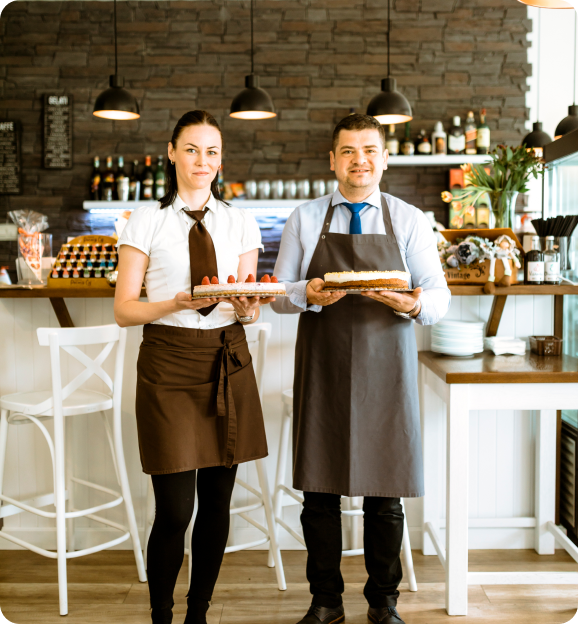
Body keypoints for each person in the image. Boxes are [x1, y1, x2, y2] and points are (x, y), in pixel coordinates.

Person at [271, 113, 451, 624]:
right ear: (332, 160)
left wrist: (411, 306)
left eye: (369, 150)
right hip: (323, 365)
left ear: (384, 158)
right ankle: (325, 602)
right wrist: (305, 294)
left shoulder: (410, 219)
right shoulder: (304, 220)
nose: (359, 161)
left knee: (384, 493)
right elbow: (280, 295)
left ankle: (382, 603)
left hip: (387, 369)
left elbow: (438, 296)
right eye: (348, 151)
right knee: (319, 491)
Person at [114, 110, 273, 624]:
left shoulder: (240, 221)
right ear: (171, 152)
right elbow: (124, 310)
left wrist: (249, 307)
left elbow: (243, 298)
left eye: (211, 152)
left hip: (227, 361)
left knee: (217, 506)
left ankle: (198, 613)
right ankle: (162, 614)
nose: (202, 161)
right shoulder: (147, 221)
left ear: (220, 159)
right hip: (168, 364)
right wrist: (174, 304)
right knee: (176, 510)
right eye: (191, 149)